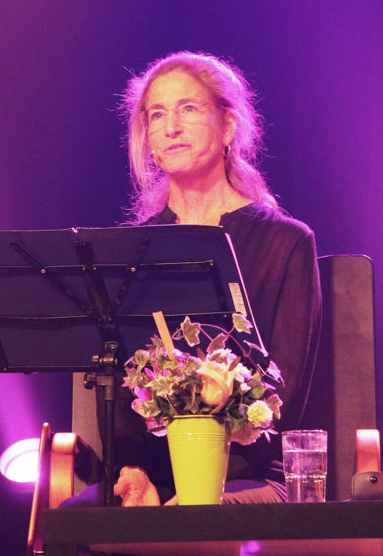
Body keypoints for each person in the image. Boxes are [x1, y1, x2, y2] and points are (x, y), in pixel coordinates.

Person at [65, 51, 321, 507]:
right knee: (70, 518)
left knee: (201, 515)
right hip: (153, 474)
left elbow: (285, 392)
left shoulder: (286, 242)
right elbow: (120, 383)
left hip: (249, 474)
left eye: (188, 108)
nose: (170, 127)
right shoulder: (128, 251)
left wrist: (200, 483)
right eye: (156, 115)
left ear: (228, 127)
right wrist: (135, 473)